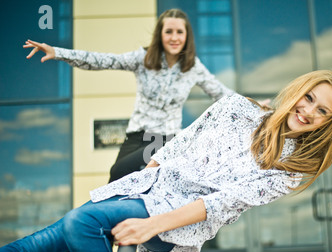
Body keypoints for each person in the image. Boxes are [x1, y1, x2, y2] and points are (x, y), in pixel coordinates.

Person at [0, 70, 332, 252]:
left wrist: (151, 225)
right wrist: (147, 174)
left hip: (175, 217)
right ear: (297, 91)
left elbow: (220, 205)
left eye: (323, 112)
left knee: (82, 222)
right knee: (36, 248)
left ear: (327, 124)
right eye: (309, 98)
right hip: (146, 188)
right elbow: (181, 142)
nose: (309, 111)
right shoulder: (234, 106)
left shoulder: (291, 169)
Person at [23, 9, 233, 182]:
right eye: (169, 31)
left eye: (180, 32)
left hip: (163, 139)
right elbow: (103, 60)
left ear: (187, 36)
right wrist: (59, 52)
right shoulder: (143, 59)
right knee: (115, 182)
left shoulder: (192, 66)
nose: (174, 37)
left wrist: (252, 106)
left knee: (121, 172)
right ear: (160, 34)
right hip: (134, 138)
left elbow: (221, 94)